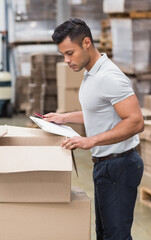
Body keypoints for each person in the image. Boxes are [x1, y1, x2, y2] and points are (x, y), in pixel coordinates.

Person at [43, 18, 144, 240]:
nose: (67, 60)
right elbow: (98, 111)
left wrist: (91, 140)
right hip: (105, 165)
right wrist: (65, 117)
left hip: (119, 165)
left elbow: (136, 121)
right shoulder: (91, 73)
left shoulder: (109, 77)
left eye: (70, 53)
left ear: (86, 42)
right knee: (104, 234)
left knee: (116, 236)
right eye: (63, 55)